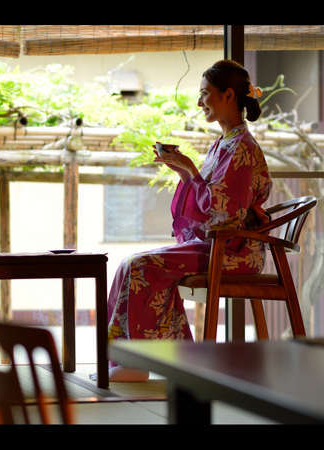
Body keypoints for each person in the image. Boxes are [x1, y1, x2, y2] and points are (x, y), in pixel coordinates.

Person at [105, 59, 272, 382]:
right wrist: (184, 170)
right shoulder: (224, 144)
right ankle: (148, 358)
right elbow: (211, 202)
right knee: (131, 263)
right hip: (220, 244)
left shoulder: (242, 149)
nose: (199, 102)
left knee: (141, 266)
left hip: (235, 251)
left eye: (204, 94)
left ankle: (141, 361)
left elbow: (224, 213)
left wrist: (191, 171)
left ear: (227, 95)